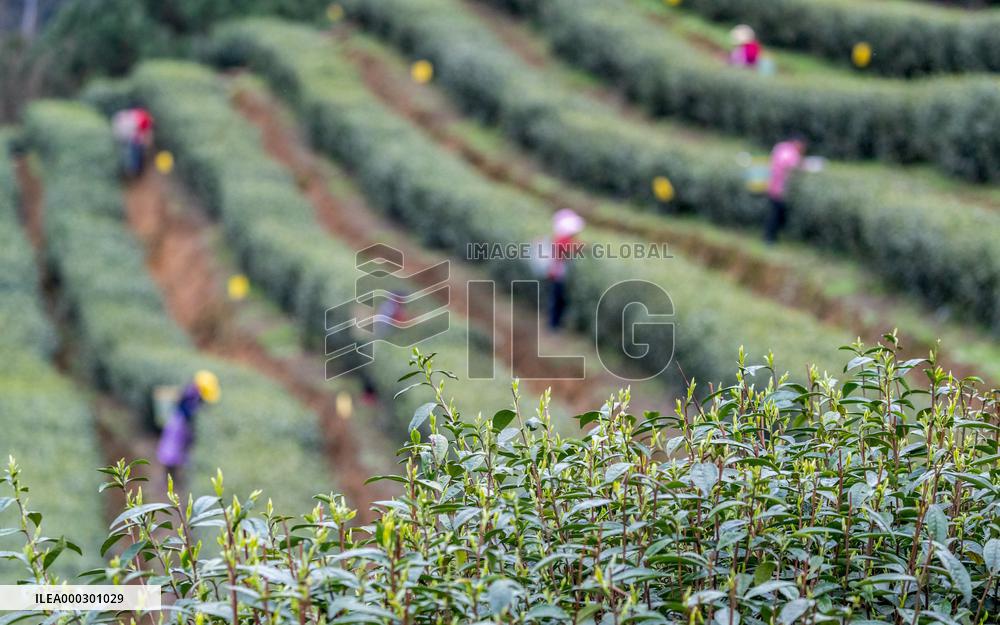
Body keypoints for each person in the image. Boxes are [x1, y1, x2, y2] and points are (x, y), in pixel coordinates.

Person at [157, 370, 220, 482]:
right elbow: (186, 410)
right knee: (171, 452)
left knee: (178, 453)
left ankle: (173, 478)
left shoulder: (193, 394)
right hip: (178, 425)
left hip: (182, 426)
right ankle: (169, 478)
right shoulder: (190, 394)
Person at [764, 136, 807, 244]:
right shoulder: (791, 153)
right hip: (779, 188)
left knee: (776, 213)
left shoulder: (781, 147)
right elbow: (792, 166)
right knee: (775, 215)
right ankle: (769, 239)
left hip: (773, 185)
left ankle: (771, 238)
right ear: (797, 143)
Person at [548, 209, 584, 329]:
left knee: (559, 299)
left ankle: (556, 323)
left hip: (559, 273)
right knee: (557, 299)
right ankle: (553, 325)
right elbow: (570, 250)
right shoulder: (563, 240)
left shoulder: (563, 238)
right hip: (558, 273)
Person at [112, 107, 154, 178]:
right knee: (134, 155)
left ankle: (133, 171)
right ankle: (134, 171)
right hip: (134, 140)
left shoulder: (134, 117)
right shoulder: (139, 117)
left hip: (133, 140)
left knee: (133, 155)